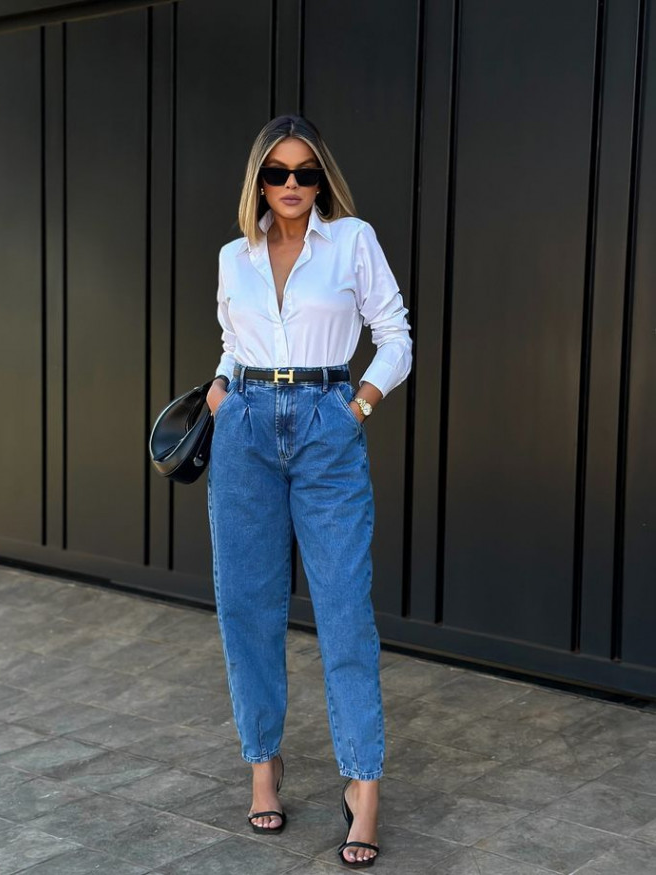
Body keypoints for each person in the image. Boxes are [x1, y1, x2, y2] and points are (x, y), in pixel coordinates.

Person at [205, 114, 413, 868]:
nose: (291, 186)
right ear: (258, 180)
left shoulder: (352, 240)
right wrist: (223, 390)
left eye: (305, 173)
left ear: (322, 179)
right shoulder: (237, 254)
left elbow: (396, 335)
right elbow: (233, 338)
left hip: (327, 423)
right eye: (277, 173)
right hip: (247, 426)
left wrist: (357, 405)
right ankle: (264, 765)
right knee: (247, 606)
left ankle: (365, 785)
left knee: (343, 609)